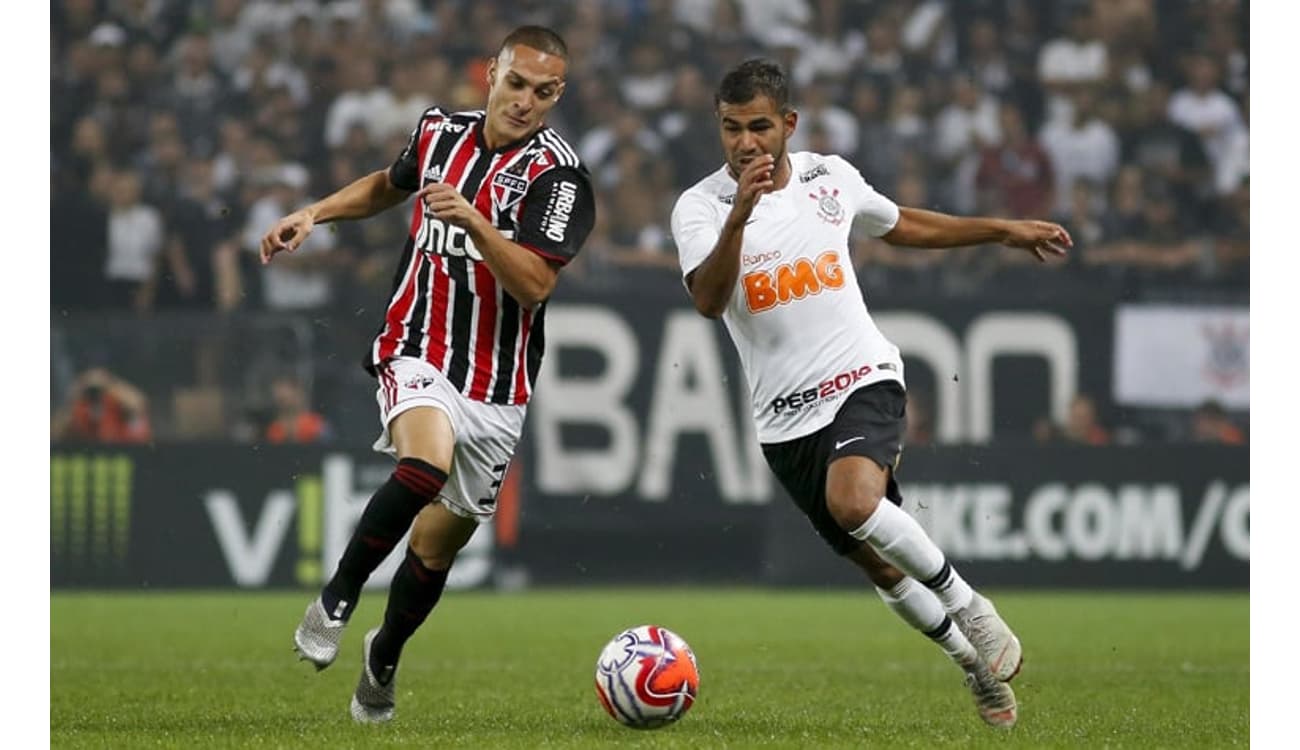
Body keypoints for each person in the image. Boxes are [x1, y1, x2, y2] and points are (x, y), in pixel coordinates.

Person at [670, 59, 1072, 729]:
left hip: (863, 377)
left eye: (760, 127)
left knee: (853, 501)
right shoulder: (701, 207)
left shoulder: (831, 177)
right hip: (784, 421)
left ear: (789, 124)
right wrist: (741, 214)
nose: (746, 143)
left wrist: (1002, 229)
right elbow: (710, 300)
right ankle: (970, 663)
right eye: (732, 128)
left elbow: (902, 224)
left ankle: (969, 604)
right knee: (880, 569)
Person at [259, 26, 595, 724]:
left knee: (438, 546)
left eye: (543, 91)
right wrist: (314, 214)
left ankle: (384, 653)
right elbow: (389, 186)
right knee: (425, 464)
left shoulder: (559, 177)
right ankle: (337, 598)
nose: (526, 101)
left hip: (498, 384)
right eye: (516, 83)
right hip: (417, 344)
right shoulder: (439, 131)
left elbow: (533, 286)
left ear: (557, 95)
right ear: (491, 75)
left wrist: (475, 221)